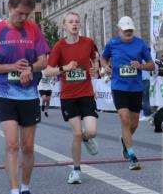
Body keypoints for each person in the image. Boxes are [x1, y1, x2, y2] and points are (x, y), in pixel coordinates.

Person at [0, 0, 50, 194]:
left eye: (27, 15)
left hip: (29, 95)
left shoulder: (33, 30)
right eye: (19, 13)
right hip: (4, 93)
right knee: (12, 144)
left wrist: (30, 68)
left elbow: (44, 60)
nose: (23, 18)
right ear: (9, 8)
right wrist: (13, 68)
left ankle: (26, 189)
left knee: (28, 147)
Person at [46, 11, 101, 184]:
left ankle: (87, 138)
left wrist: (96, 69)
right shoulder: (59, 46)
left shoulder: (88, 42)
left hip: (86, 93)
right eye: (70, 22)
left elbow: (96, 58)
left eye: (77, 21)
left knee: (91, 131)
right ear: (64, 26)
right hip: (69, 96)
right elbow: (48, 71)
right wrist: (65, 68)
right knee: (76, 133)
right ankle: (76, 171)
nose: (74, 24)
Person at [101, 16, 155, 170]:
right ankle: (132, 155)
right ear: (119, 30)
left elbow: (151, 65)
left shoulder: (140, 44)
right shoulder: (112, 44)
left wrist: (141, 66)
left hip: (136, 88)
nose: (128, 33)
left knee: (134, 124)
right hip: (119, 87)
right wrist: (106, 67)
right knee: (125, 120)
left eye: (130, 30)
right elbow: (103, 59)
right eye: (125, 31)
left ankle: (125, 141)